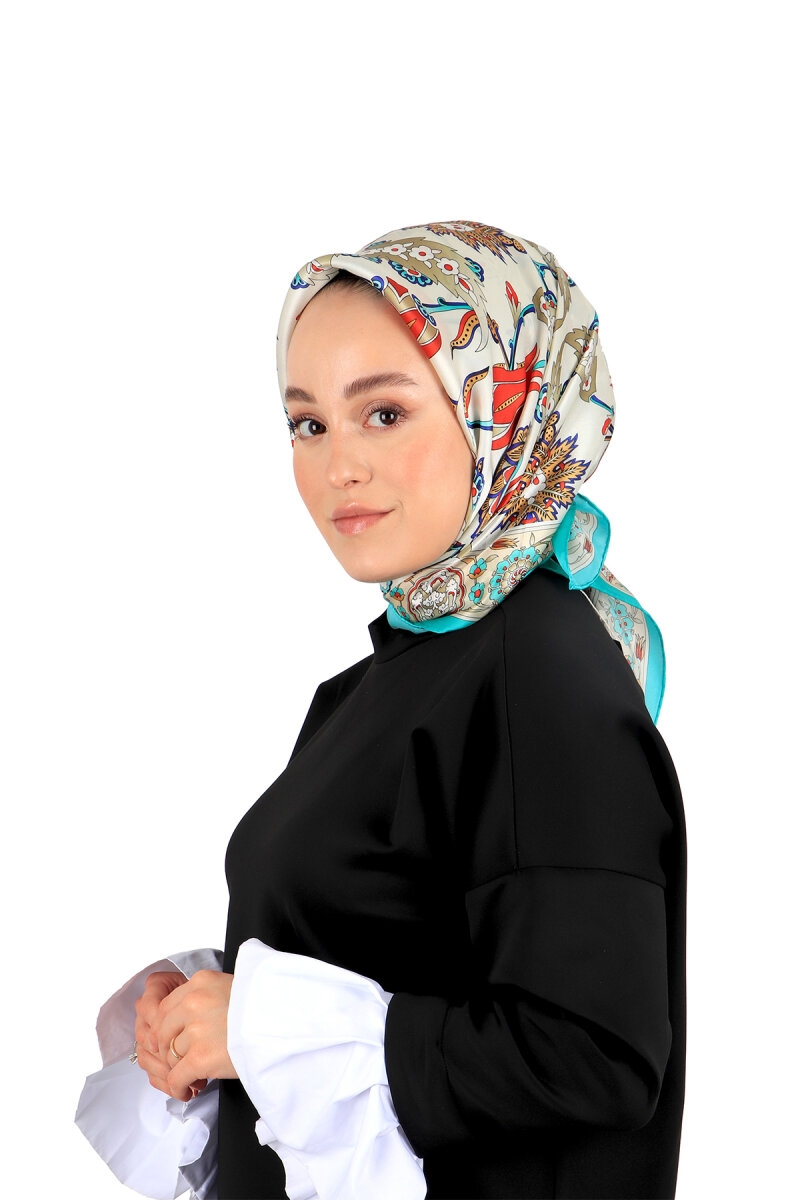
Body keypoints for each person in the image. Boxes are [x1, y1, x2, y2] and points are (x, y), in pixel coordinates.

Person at [76, 219, 687, 1200]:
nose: (338, 467)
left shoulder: (538, 676)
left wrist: (260, 1025)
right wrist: (210, 1003)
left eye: (385, 413)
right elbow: (400, 953)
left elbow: (590, 1055)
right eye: (308, 424)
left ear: (505, 409)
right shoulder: (389, 679)